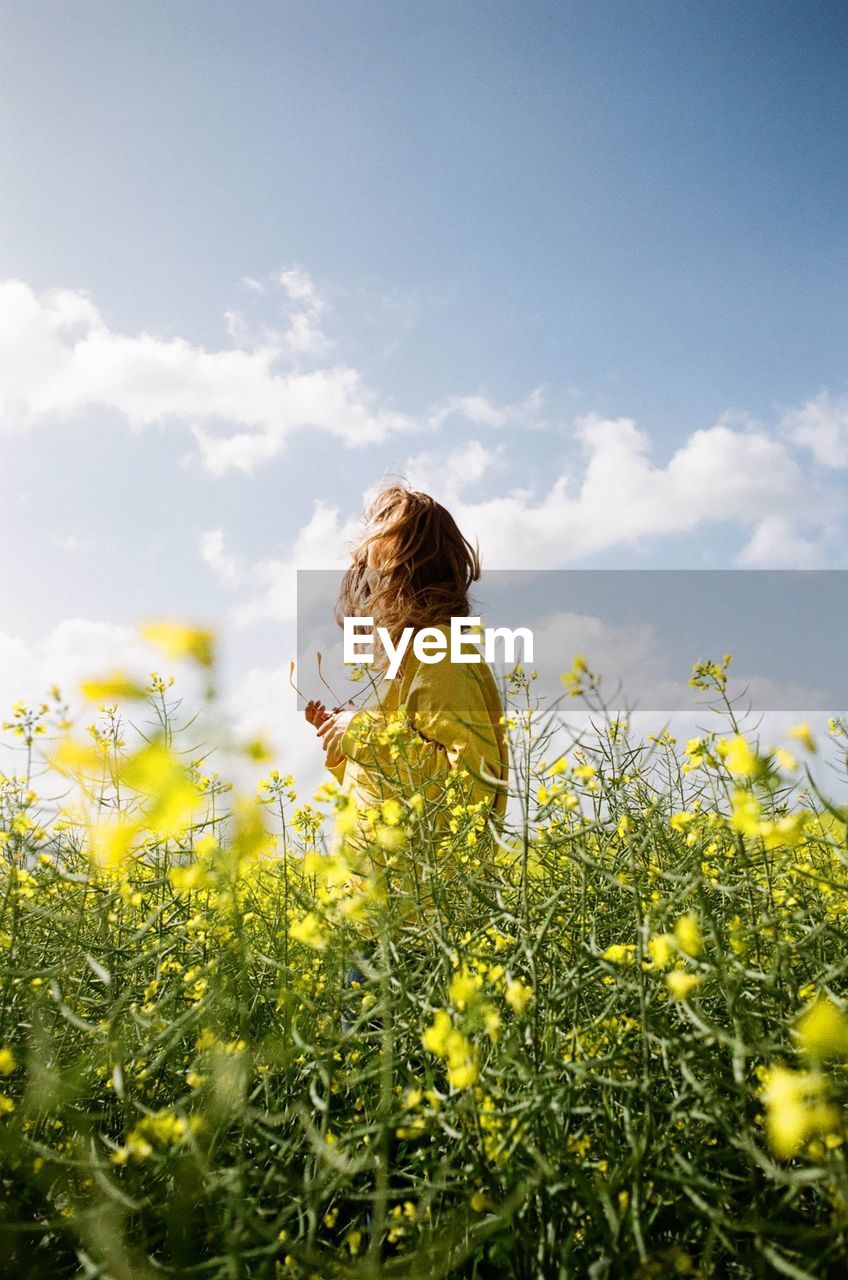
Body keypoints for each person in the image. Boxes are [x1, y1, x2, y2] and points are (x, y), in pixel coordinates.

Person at [304, 483, 508, 942]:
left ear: (406, 577)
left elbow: (467, 788)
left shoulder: (439, 658)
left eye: (377, 573)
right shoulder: (420, 659)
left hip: (416, 927)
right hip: (387, 914)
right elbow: (395, 788)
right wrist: (343, 745)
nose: (370, 591)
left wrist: (361, 734)